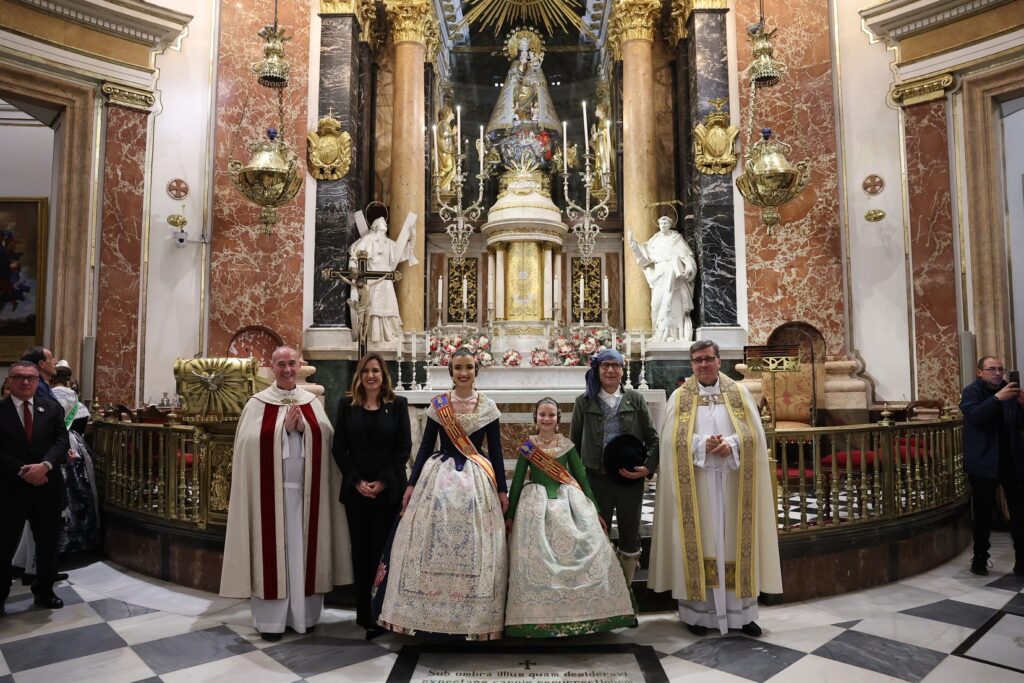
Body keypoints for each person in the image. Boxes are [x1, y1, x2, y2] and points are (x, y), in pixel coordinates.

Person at [371, 346, 508, 640]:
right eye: (458, 367)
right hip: (438, 477)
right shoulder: (439, 406)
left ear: (476, 371)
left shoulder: (488, 407)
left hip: (478, 482)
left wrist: (502, 490)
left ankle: (475, 617)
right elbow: (424, 448)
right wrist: (411, 485)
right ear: (451, 371)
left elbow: (495, 452)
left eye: (469, 367)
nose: (463, 373)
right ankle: (424, 615)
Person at [649, 340, 782, 637]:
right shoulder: (680, 397)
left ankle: (742, 614)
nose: (703, 364)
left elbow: (755, 437)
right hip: (697, 486)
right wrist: (700, 444)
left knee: (737, 544)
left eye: (708, 359)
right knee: (702, 544)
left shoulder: (739, 393)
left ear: (719, 361)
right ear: (692, 364)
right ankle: (698, 615)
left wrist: (732, 444)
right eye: (697, 360)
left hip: (734, 484)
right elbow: (670, 442)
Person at [220, 346, 352, 641]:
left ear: (299, 364)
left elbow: (327, 437)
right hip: (271, 499)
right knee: (272, 555)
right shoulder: (257, 403)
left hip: (306, 497)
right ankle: (271, 623)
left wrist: (304, 428)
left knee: (303, 554)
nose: (288, 369)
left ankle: (304, 615)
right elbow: (247, 443)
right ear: (272, 368)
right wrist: (282, 430)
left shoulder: (311, 401)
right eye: (281, 364)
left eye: (292, 363)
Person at [504, 397, 636, 637]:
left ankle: (591, 612)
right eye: (542, 414)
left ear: (558, 419)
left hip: (569, 503)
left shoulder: (567, 446)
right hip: (536, 506)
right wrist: (510, 514)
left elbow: (582, 478)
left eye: (551, 415)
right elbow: (517, 483)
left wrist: (594, 510)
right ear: (535, 418)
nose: (546, 418)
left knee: (587, 543)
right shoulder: (527, 447)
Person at [333, 352, 411, 639]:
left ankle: (383, 614)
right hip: (356, 494)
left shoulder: (397, 405)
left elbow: (404, 448)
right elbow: (339, 449)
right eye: (366, 371)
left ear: (383, 375)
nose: (371, 376)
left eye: (376, 370)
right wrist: (357, 482)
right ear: (359, 375)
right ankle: (365, 615)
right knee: (361, 554)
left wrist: (382, 482)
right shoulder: (346, 405)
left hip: (388, 493)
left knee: (383, 554)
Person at [569, 348, 659, 588]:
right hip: (596, 479)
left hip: (630, 480)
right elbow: (574, 445)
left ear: (622, 369)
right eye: (605, 365)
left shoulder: (636, 400)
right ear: (597, 370)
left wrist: (647, 468)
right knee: (597, 533)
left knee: (630, 534)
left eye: (615, 365)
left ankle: (626, 593)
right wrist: (577, 483)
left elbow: (653, 439)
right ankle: (601, 596)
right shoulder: (584, 402)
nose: (610, 370)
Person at [13, 363, 100, 581]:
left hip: (48, 456)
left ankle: (29, 566)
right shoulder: (71, 398)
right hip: (65, 450)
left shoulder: (49, 396)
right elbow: (76, 426)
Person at [0, 361, 70, 616]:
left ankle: (45, 591)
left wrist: (45, 466)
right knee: (4, 543)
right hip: (10, 489)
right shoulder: (1, 410)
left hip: (47, 488)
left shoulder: (51, 408)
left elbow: (61, 440)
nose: (26, 382)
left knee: (48, 543)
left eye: (31, 378)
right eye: (19, 377)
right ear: (9, 381)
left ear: (38, 381)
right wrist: (24, 470)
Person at [959, 356, 1024, 576]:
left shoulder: (1009, 390)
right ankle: (980, 559)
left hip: (1012, 462)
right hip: (984, 462)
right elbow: (975, 416)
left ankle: (1022, 561)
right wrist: (997, 399)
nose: (998, 373)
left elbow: (1019, 424)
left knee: (1019, 514)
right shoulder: (971, 392)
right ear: (980, 372)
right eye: (992, 369)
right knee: (983, 514)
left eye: (1000, 369)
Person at [628, 216, 697, 343]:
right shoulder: (655, 240)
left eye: (666, 222)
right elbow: (644, 254)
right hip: (660, 275)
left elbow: (688, 256)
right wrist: (633, 243)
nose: (663, 224)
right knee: (656, 304)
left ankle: (675, 335)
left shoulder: (676, 239)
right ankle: (658, 334)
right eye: (661, 222)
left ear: (670, 224)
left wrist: (688, 267)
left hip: (675, 276)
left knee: (673, 304)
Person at [347, 216, 416, 344]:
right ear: (375, 226)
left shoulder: (388, 243)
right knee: (373, 307)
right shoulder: (367, 240)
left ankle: (390, 335)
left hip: (385, 280)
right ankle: (373, 336)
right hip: (372, 281)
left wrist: (411, 239)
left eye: (385, 222)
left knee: (389, 305)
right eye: (381, 222)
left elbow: (401, 254)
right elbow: (355, 255)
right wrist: (353, 269)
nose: (384, 223)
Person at [435, 106, 457, 194]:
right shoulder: (442, 123)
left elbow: (449, 140)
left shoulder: (447, 125)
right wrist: (453, 132)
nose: (453, 114)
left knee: (452, 167)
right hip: (444, 152)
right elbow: (444, 134)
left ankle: (445, 186)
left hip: (448, 151)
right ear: (447, 113)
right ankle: (437, 182)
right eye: (452, 113)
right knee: (448, 166)